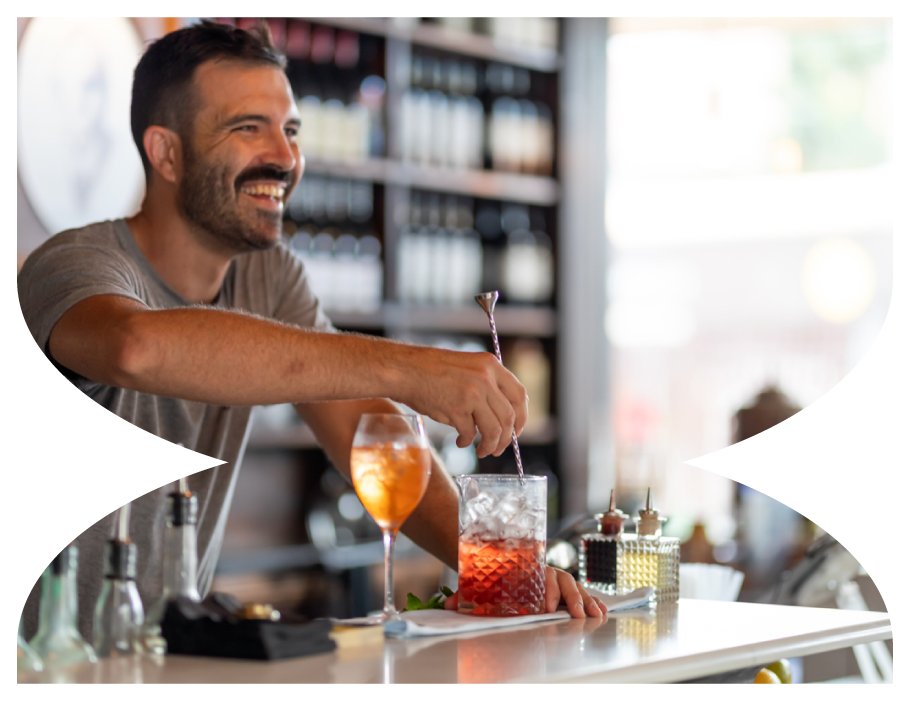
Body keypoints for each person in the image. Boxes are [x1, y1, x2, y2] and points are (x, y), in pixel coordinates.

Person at [17, 20, 605, 641]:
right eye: (248, 128)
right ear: (166, 153)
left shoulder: (268, 275)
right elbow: (136, 347)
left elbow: (366, 431)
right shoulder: (72, 265)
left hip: (158, 660)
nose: (285, 157)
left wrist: (495, 569)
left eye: (291, 130)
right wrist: (411, 368)